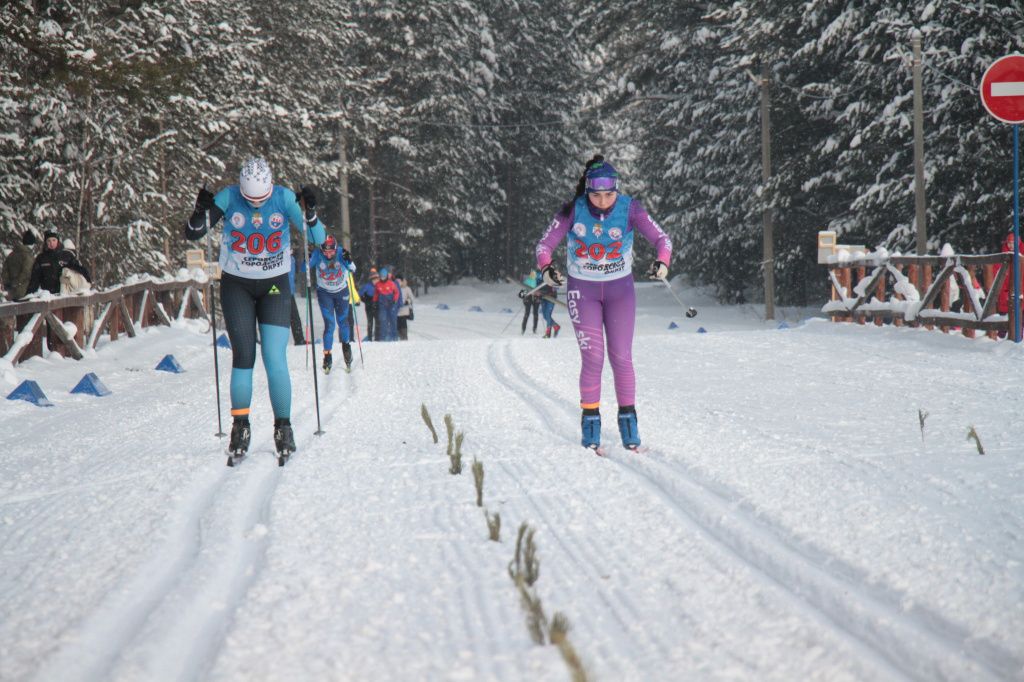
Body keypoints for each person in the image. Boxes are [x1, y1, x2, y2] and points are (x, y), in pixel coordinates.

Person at [184, 157, 326, 460]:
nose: (256, 205)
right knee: (244, 356)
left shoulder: (284, 198)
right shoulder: (229, 197)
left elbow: (319, 239)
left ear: (270, 188)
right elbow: (194, 232)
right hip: (237, 285)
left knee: (275, 357)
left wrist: (311, 213)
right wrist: (199, 211)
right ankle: (240, 427)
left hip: (274, 284)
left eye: (261, 199)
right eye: (251, 200)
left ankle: (283, 427)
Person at [535, 155, 672, 451]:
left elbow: (663, 240)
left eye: (609, 195)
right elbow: (544, 245)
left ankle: (629, 427)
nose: (602, 201)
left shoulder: (629, 208)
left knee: (621, 357)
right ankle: (591, 428)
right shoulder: (573, 210)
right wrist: (547, 268)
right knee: (594, 358)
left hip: (620, 292)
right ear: (587, 190)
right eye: (596, 195)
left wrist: (662, 262)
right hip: (582, 292)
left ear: (616, 190)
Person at [309, 235, 356, 372]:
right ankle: (327, 356)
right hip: (325, 293)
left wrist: (349, 260)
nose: (329, 255)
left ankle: (346, 347)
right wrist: (308, 258)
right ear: (322, 250)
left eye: (331, 252)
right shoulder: (317, 254)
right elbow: (304, 268)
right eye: (326, 252)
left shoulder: (341, 252)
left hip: (341, 292)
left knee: (343, 322)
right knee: (330, 325)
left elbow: (353, 269)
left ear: (336, 249)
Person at [27, 230, 91, 295]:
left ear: (58, 241)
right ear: (46, 242)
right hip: (48, 295)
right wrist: (29, 293)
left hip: (65, 293)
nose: (51, 243)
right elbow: (35, 279)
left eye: (54, 240)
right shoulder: (41, 258)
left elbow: (78, 268)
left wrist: (87, 277)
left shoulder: (66, 255)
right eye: (49, 241)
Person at [2, 230, 37, 301]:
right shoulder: (28, 256)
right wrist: (17, 283)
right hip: (24, 291)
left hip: (11, 291)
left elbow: (4, 271)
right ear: (33, 244)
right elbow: (27, 272)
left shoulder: (11, 255)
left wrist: (8, 285)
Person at [374, 266, 401, 341]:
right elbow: (376, 294)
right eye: (381, 276)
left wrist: (395, 300)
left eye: (384, 276)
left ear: (386, 276)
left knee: (393, 320)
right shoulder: (378, 284)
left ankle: (394, 337)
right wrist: (374, 301)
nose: (382, 278)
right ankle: (383, 337)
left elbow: (396, 292)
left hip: (391, 304)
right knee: (383, 321)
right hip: (382, 305)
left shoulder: (391, 283)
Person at [358, 269, 379, 341]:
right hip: (369, 306)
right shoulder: (367, 286)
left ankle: (377, 337)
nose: (376, 281)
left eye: (377, 279)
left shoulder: (379, 285)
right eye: (374, 279)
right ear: (371, 279)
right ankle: (370, 338)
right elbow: (360, 294)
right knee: (370, 322)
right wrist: (365, 299)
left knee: (377, 321)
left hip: (377, 306)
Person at [520, 269, 541, 335]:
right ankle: (523, 329)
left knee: (535, 314)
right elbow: (522, 293)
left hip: (536, 299)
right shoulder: (528, 281)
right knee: (527, 313)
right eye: (533, 274)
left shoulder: (538, 281)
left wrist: (539, 296)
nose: (534, 276)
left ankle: (535, 329)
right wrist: (526, 296)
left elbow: (541, 291)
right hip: (528, 299)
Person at [397, 273, 414, 340]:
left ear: (402, 281)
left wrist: (407, 301)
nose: (398, 282)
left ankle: (404, 338)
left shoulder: (407, 288)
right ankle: (399, 337)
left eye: (399, 280)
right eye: (397, 280)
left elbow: (412, 298)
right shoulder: (394, 287)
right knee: (397, 325)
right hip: (396, 310)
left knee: (403, 325)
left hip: (404, 310)